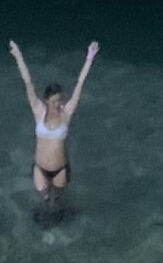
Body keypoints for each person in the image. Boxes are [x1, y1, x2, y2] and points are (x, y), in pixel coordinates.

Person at [9, 39, 98, 223]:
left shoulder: (66, 113)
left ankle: (64, 218)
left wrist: (89, 58)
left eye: (60, 100)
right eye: (54, 101)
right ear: (47, 100)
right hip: (40, 167)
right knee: (42, 201)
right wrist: (18, 55)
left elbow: (80, 84)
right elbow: (28, 81)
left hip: (60, 169)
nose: (58, 104)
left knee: (58, 202)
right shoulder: (38, 111)